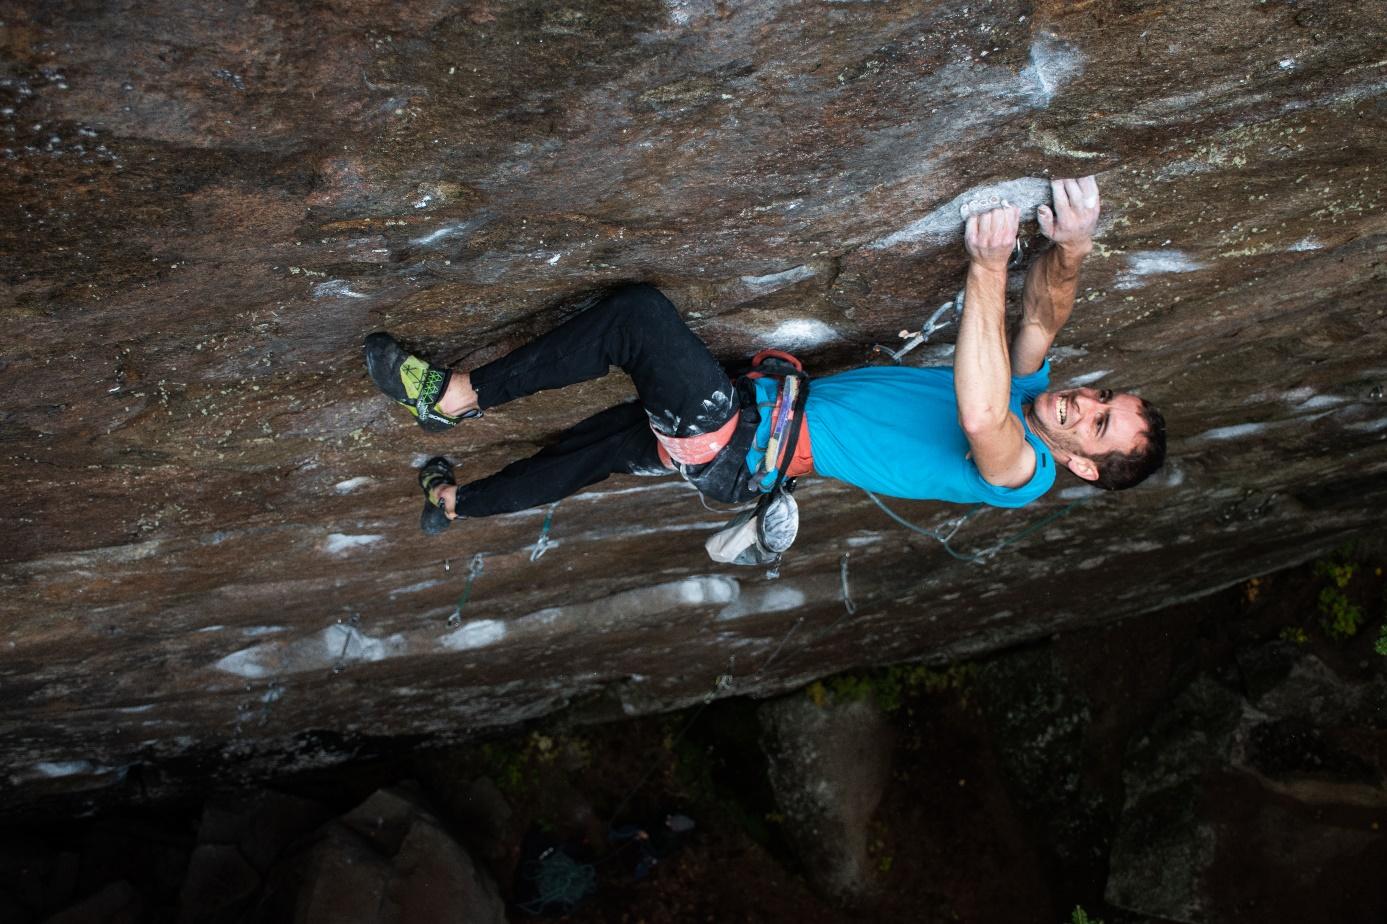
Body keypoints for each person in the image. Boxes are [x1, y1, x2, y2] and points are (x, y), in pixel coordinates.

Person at [363, 176, 1165, 536]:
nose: (1081, 405)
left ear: (1083, 468)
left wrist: (987, 266)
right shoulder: (1038, 393)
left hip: (744, 440)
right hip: (753, 426)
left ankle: (455, 397)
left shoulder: (1019, 471)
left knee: (636, 319)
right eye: (1102, 400)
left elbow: (980, 413)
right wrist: (1073, 246)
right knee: (591, 453)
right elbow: (1045, 317)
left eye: (1094, 427)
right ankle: (455, 507)